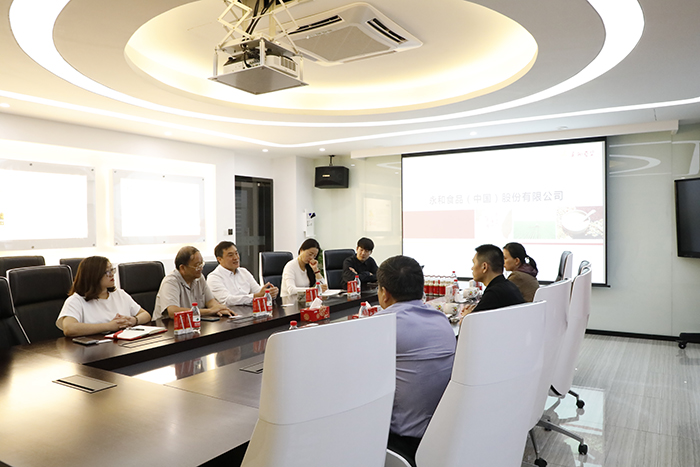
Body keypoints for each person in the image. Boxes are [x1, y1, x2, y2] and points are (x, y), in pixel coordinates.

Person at [375, 255, 456, 466]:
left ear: (384, 293)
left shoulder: (383, 325)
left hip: (403, 442)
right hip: (444, 435)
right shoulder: (441, 319)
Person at [56, 256, 151, 337]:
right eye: (107, 272)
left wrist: (134, 320)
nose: (112, 275)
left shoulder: (120, 294)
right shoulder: (76, 300)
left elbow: (145, 315)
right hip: (92, 349)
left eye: (112, 270)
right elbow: (69, 328)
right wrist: (109, 326)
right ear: (93, 275)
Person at [153, 246, 234, 320]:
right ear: (182, 268)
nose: (201, 268)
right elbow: (173, 312)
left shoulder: (199, 278)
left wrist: (219, 309)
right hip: (167, 326)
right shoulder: (170, 281)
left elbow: (210, 301)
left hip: (192, 322)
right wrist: (210, 311)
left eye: (201, 264)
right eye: (197, 265)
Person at [207, 241, 278, 307]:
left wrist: (269, 293)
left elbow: (258, 292)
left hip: (250, 311)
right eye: (230, 255)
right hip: (231, 314)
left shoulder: (244, 272)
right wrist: (255, 296)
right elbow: (227, 301)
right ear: (219, 259)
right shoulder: (214, 277)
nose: (236, 258)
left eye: (236, 253)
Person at [462, 244, 525, 317]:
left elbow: (471, 322)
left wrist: (466, 315)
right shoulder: (509, 286)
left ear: (484, 267)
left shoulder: (493, 293)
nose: (472, 268)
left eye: (474, 263)